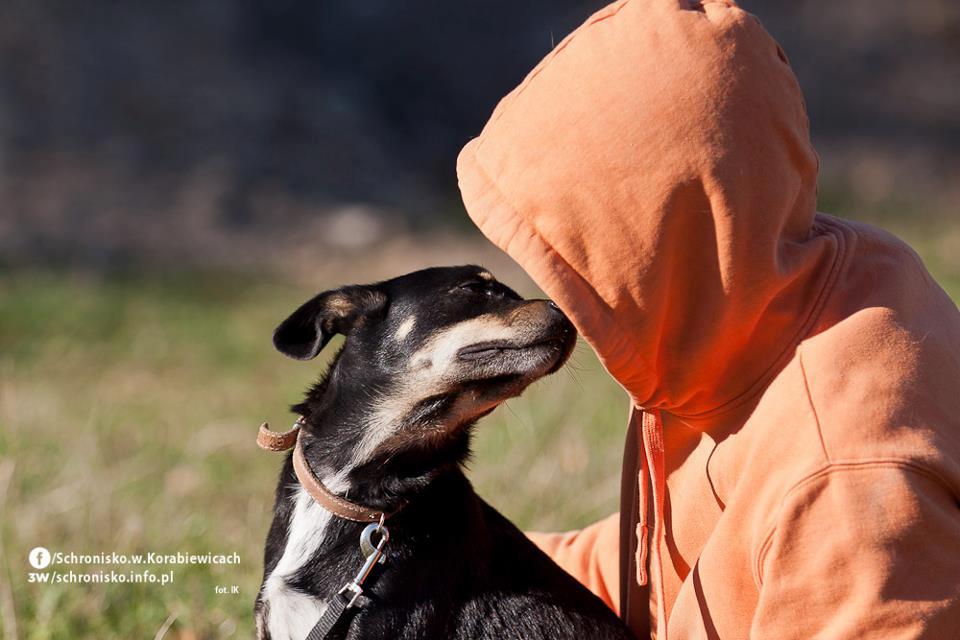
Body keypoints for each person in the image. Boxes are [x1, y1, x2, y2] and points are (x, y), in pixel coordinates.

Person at [456, 0, 960, 638]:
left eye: (571, 265)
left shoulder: (848, 485)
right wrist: (449, 571)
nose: (550, 299)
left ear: (659, 244)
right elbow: (655, 569)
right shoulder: (749, 306)